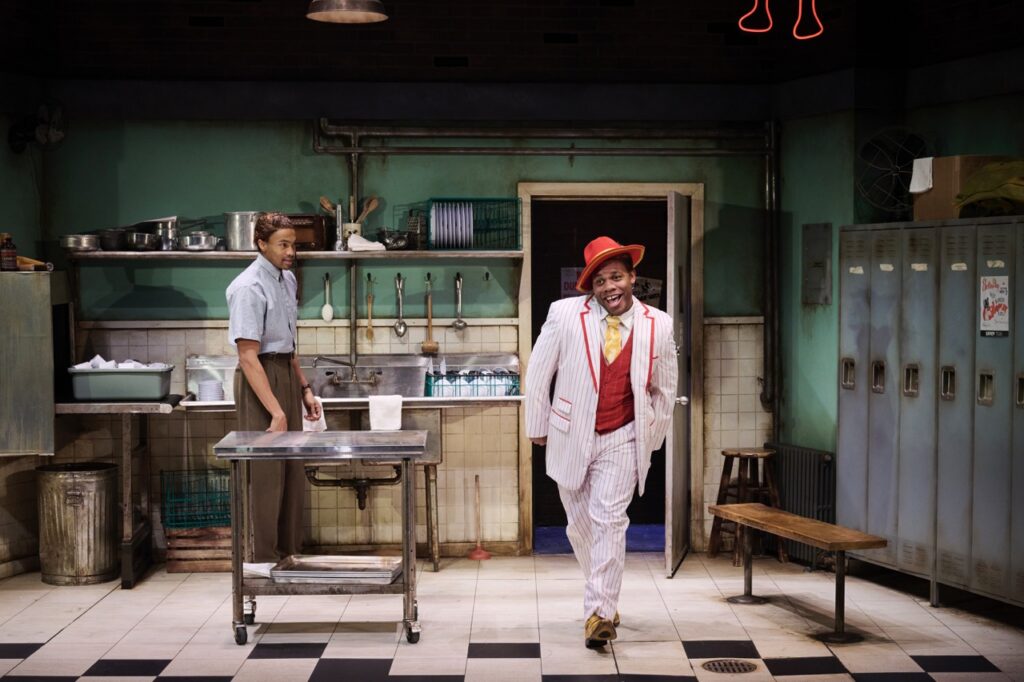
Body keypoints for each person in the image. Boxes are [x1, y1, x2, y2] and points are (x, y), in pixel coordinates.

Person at [525, 235, 677, 648]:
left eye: (616, 277)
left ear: (632, 277)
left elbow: (665, 389)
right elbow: (539, 373)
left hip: (624, 435)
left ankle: (600, 614)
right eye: (599, 282)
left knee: (610, 520)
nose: (609, 287)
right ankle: (604, 594)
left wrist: (652, 438)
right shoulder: (563, 314)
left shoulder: (658, 324)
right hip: (570, 433)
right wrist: (536, 425)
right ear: (591, 287)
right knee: (580, 526)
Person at [226, 211, 321, 562]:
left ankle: (288, 553)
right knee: (265, 474)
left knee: (291, 469)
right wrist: (276, 410)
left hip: (284, 372)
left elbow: (288, 345)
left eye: (293, 245)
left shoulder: (287, 280)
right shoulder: (248, 287)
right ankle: (262, 561)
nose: (290, 251)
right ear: (261, 244)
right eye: (283, 244)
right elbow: (248, 356)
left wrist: (304, 389)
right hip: (260, 379)